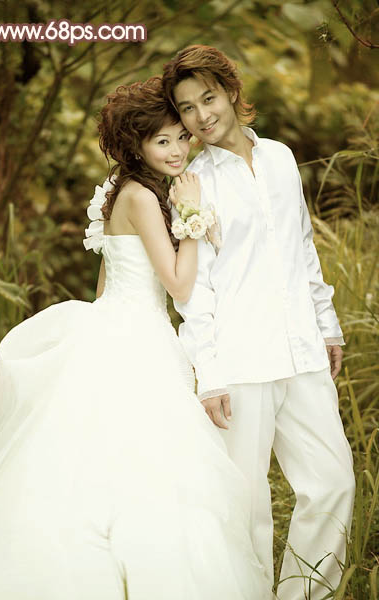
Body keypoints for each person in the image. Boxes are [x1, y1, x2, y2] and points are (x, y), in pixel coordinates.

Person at [0, 76, 270, 600]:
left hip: (119, 322)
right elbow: (179, 284)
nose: (178, 149)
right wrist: (193, 216)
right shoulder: (141, 197)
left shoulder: (126, 190)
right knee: (146, 459)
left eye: (181, 137)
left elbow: (106, 282)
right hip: (137, 333)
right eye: (162, 141)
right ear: (136, 146)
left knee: (116, 454)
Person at [162, 46, 356, 600]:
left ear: (230, 91)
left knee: (333, 483)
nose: (201, 115)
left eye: (208, 98)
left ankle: (303, 594)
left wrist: (327, 323)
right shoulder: (193, 184)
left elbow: (302, 244)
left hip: (302, 350)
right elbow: (196, 290)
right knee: (246, 507)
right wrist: (209, 374)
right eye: (187, 108)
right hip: (239, 362)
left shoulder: (280, 157)